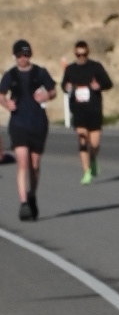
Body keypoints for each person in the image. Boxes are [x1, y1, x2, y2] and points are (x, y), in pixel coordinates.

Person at [5, 40, 56, 221]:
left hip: (38, 123)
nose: (23, 58)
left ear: (30, 55)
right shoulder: (10, 75)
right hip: (18, 124)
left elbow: (53, 91)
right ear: (15, 56)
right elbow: (1, 94)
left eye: (26, 55)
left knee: (34, 164)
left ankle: (32, 195)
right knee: (23, 163)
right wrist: (6, 103)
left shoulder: (40, 72)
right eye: (20, 55)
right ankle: (24, 203)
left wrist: (46, 95)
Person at [63, 39, 112, 184]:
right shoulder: (70, 69)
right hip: (78, 110)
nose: (81, 58)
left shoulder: (96, 67)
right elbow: (64, 85)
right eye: (78, 55)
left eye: (84, 55)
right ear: (75, 54)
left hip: (94, 110)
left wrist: (99, 86)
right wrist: (66, 87)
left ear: (88, 53)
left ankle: (93, 160)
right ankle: (86, 172)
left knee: (94, 144)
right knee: (82, 140)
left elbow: (108, 83)